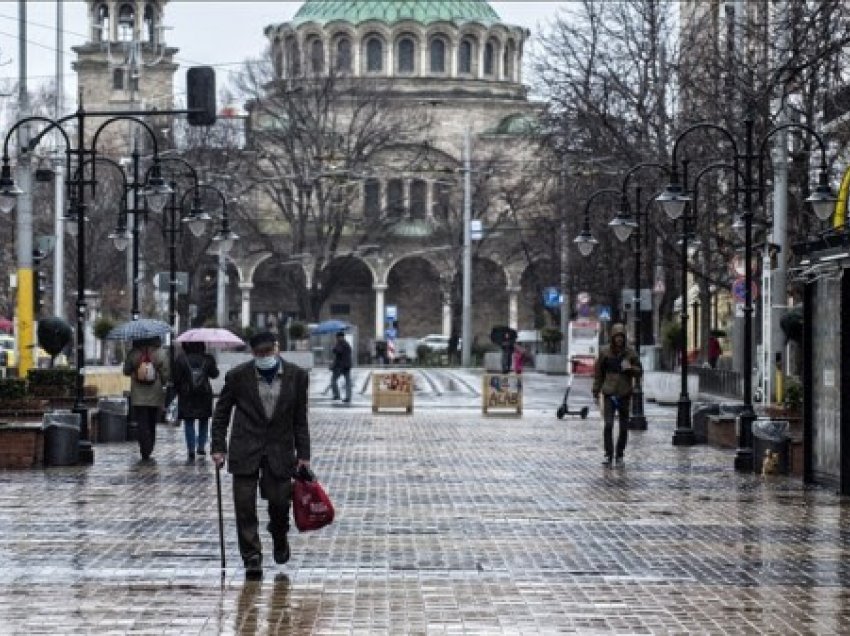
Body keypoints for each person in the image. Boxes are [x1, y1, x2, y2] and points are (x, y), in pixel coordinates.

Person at [212, 331, 311, 579]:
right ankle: (252, 556)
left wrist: (304, 454)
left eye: (268, 352)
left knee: (279, 503)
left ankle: (279, 536)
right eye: (259, 353)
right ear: (252, 353)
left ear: (277, 349)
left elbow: (300, 419)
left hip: (280, 450)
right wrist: (218, 446)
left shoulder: (297, 377)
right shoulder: (238, 377)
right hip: (245, 448)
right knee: (244, 506)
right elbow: (221, 413)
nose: (264, 357)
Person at [591, 323, 642, 467]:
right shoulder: (605, 352)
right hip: (609, 393)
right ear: (612, 337)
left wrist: (631, 368)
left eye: (621, 336)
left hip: (625, 393)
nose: (619, 339)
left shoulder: (630, 353)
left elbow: (640, 371)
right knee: (608, 425)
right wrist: (596, 390)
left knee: (624, 427)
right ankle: (608, 454)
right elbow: (599, 374)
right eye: (616, 336)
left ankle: (620, 454)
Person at [123, 336, 170, 461]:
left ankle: (144, 448)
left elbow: (126, 370)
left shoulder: (134, 353)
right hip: (155, 393)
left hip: (138, 394)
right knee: (152, 421)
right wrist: (163, 381)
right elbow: (165, 372)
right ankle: (150, 447)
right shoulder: (160, 353)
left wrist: (135, 370)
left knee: (141, 422)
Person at [172, 341, 219, 463]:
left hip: (187, 394)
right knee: (204, 420)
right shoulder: (208, 359)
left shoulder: (181, 360)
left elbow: (176, 378)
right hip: (204, 393)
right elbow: (215, 374)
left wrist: (179, 390)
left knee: (189, 421)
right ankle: (201, 446)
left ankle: (191, 448)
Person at [330, 330, 352, 403]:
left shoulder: (341, 343)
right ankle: (347, 397)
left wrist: (334, 347)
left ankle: (337, 395)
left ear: (339, 337)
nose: (337, 338)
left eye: (337, 337)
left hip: (340, 366)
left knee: (333, 380)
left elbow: (337, 351)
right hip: (347, 365)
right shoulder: (346, 344)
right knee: (348, 382)